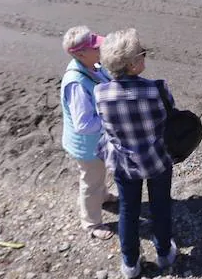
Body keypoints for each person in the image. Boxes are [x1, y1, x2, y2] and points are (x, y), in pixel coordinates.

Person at [94, 28, 177, 279]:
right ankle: (164, 252)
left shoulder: (100, 93)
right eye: (142, 53)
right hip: (156, 158)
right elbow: (170, 118)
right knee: (160, 206)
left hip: (124, 161)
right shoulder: (158, 89)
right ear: (132, 65)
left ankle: (130, 263)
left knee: (129, 210)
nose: (145, 56)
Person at [59, 26, 117, 240]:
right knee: (90, 182)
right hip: (87, 145)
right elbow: (83, 124)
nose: (100, 47)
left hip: (97, 143)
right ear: (80, 53)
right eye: (95, 46)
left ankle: (102, 196)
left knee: (99, 174)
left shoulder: (92, 66)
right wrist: (110, 120)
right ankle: (91, 223)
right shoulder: (75, 83)